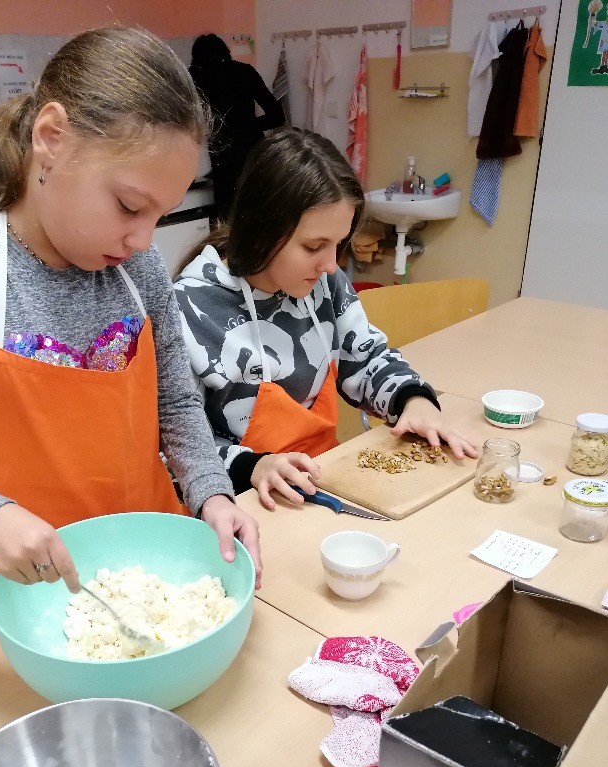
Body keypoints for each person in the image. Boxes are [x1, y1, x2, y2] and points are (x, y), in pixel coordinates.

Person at [0, 27, 261, 616]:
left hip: (151, 570)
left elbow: (173, 400)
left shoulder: (137, 267)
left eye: (159, 215)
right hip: (32, 593)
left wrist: (212, 493)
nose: (143, 239)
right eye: (128, 206)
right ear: (51, 138)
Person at [173, 128, 478, 510]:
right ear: (260, 231)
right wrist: (253, 466)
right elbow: (176, 444)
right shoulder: (190, 307)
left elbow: (366, 360)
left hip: (322, 482)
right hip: (241, 503)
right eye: (314, 246)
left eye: (338, 244)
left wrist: (412, 399)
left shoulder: (325, 284)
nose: (331, 265)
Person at [189, 33, 284, 221]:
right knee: (259, 216)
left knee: (228, 222)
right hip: (253, 154)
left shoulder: (196, 79)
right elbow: (277, 116)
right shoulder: (245, 72)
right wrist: (248, 124)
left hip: (222, 160)